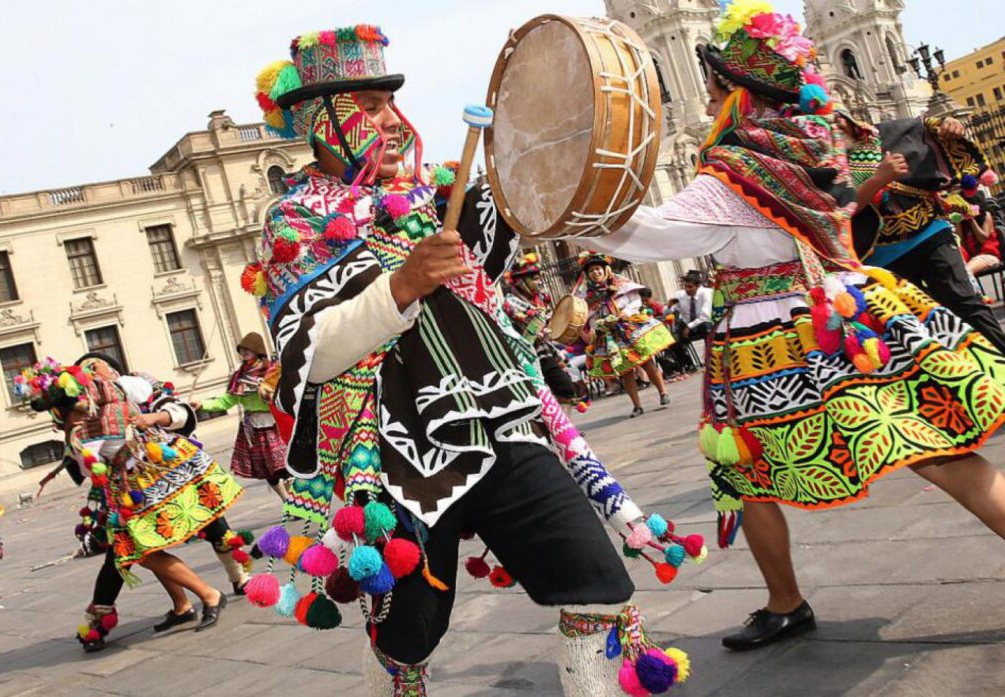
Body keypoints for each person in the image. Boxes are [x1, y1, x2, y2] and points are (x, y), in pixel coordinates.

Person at [239, 25, 694, 696]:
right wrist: (402, 285)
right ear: (319, 118)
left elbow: (534, 198)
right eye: (369, 105)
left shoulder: (436, 196)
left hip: (502, 421)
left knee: (597, 583)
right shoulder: (295, 220)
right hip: (397, 452)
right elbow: (309, 348)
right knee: (408, 632)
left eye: (392, 102)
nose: (392, 119)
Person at [586, 0, 1005, 652]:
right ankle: (783, 600)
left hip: (773, 341)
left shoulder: (732, 169)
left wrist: (568, 204)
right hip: (844, 313)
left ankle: (785, 601)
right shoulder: (814, 141)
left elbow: (642, 231)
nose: (708, 93)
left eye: (716, 82)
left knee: (753, 472)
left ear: (734, 93)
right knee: (933, 447)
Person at [15, 357, 242, 650]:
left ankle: (211, 593)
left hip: (147, 481)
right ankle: (183, 604)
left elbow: (93, 466)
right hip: (144, 479)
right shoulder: (109, 403)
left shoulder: (90, 425)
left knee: (139, 550)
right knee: (139, 549)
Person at [836, 109, 1005, 353]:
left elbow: (924, 126)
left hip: (930, 232)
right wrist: (879, 178)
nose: (836, 124)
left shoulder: (885, 133)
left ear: (850, 118)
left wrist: (948, 124)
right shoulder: (829, 165)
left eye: (838, 116)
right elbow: (842, 210)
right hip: (883, 257)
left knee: (966, 303)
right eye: (827, 121)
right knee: (924, 325)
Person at [193, 333, 289, 502]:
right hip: (253, 429)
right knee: (268, 470)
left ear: (257, 350)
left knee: (284, 464)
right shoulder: (239, 377)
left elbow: (285, 394)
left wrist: (269, 393)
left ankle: (296, 497)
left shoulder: (272, 371)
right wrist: (202, 404)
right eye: (241, 350)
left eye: (247, 349)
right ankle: (286, 500)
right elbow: (226, 401)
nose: (243, 353)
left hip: (275, 423)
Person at [579, 253, 675, 417]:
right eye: (591, 271)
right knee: (625, 371)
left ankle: (663, 392)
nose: (595, 273)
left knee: (646, 362)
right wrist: (599, 324)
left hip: (630, 327)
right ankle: (637, 405)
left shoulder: (621, 283)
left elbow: (636, 300)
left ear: (605, 269)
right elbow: (590, 317)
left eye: (597, 269)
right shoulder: (588, 296)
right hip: (611, 336)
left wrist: (626, 312)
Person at [502, 252, 579, 412]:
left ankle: (564, 429)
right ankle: (560, 431)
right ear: (521, 281)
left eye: (538, 278)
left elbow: (549, 324)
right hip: (527, 356)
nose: (539, 282)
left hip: (546, 351)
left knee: (566, 389)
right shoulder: (511, 302)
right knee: (550, 393)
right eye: (534, 279)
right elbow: (533, 327)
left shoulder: (540, 299)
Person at [671, 270, 712, 374]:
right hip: (687, 323)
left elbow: (705, 316)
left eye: (690, 287)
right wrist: (671, 307)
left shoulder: (706, 293)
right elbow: (673, 308)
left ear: (697, 286)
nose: (687, 290)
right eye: (685, 287)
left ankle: (710, 361)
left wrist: (689, 326)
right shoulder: (680, 295)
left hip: (704, 323)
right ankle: (688, 365)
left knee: (706, 329)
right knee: (673, 340)